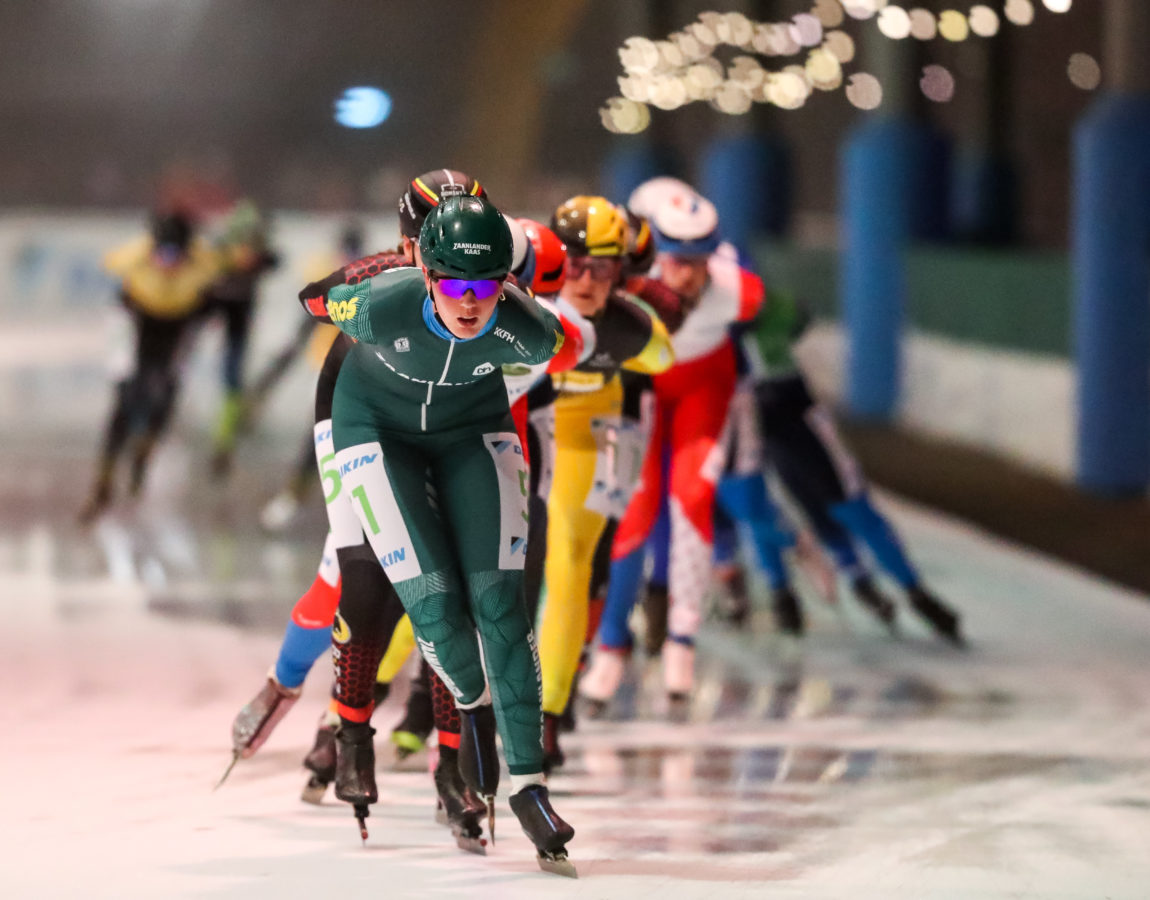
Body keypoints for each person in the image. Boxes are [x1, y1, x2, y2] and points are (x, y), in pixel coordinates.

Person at [311, 193, 577, 875]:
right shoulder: (380, 304)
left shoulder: (528, 329)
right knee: (432, 603)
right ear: (426, 274)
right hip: (374, 427)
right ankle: (469, 708)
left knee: (501, 610)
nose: (470, 301)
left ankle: (529, 788)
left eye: (486, 286)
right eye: (455, 284)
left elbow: (566, 344)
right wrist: (359, 275)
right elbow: (316, 298)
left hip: (469, 433)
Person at [581, 189, 764, 716]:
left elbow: (778, 317)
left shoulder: (738, 289)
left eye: (699, 261)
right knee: (633, 510)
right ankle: (613, 643)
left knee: (692, 495)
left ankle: (682, 639)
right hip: (643, 386)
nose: (686, 276)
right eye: (676, 261)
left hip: (705, 386)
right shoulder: (629, 281)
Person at [536, 195, 675, 772]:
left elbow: (663, 359)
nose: (586, 280)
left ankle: (548, 710)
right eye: (573, 265)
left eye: (603, 269)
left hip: (593, 437)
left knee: (571, 564)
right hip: (529, 431)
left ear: (622, 272)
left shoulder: (631, 322)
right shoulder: (525, 302)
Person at [79, 211, 221, 523]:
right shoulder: (139, 256)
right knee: (126, 397)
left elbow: (219, 270)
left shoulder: (202, 262)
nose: (168, 264)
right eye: (162, 254)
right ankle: (105, 473)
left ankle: (144, 452)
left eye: (175, 256)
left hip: (177, 327)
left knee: (166, 394)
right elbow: (110, 262)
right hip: (135, 321)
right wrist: (145, 248)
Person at [204, 200, 280, 478]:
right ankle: (224, 433)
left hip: (237, 310)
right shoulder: (223, 249)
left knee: (232, 376)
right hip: (214, 303)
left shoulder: (258, 253)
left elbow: (273, 260)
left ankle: (224, 438)